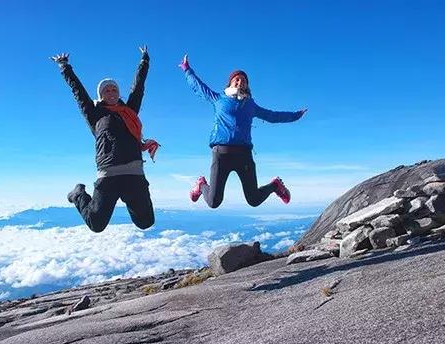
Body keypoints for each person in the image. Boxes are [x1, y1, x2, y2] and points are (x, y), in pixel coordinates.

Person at [51, 47, 159, 233]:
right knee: (96, 224)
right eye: (106, 90)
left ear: (119, 92)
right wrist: (65, 67)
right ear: (101, 95)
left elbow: (138, 87)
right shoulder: (95, 114)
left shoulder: (130, 111)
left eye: (114, 89)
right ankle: (78, 195)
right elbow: (79, 93)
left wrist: (144, 62)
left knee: (146, 222)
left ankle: (132, 202)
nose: (111, 92)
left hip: (134, 174)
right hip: (108, 175)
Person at [179, 54, 307, 208]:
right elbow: (199, 87)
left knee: (253, 200)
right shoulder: (218, 99)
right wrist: (187, 70)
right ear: (231, 82)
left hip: (244, 155)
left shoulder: (250, 105)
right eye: (237, 79)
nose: (240, 82)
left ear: (247, 86)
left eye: (244, 81)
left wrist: (295, 116)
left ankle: (275, 185)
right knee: (213, 202)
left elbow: (272, 116)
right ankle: (201, 186)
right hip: (221, 154)